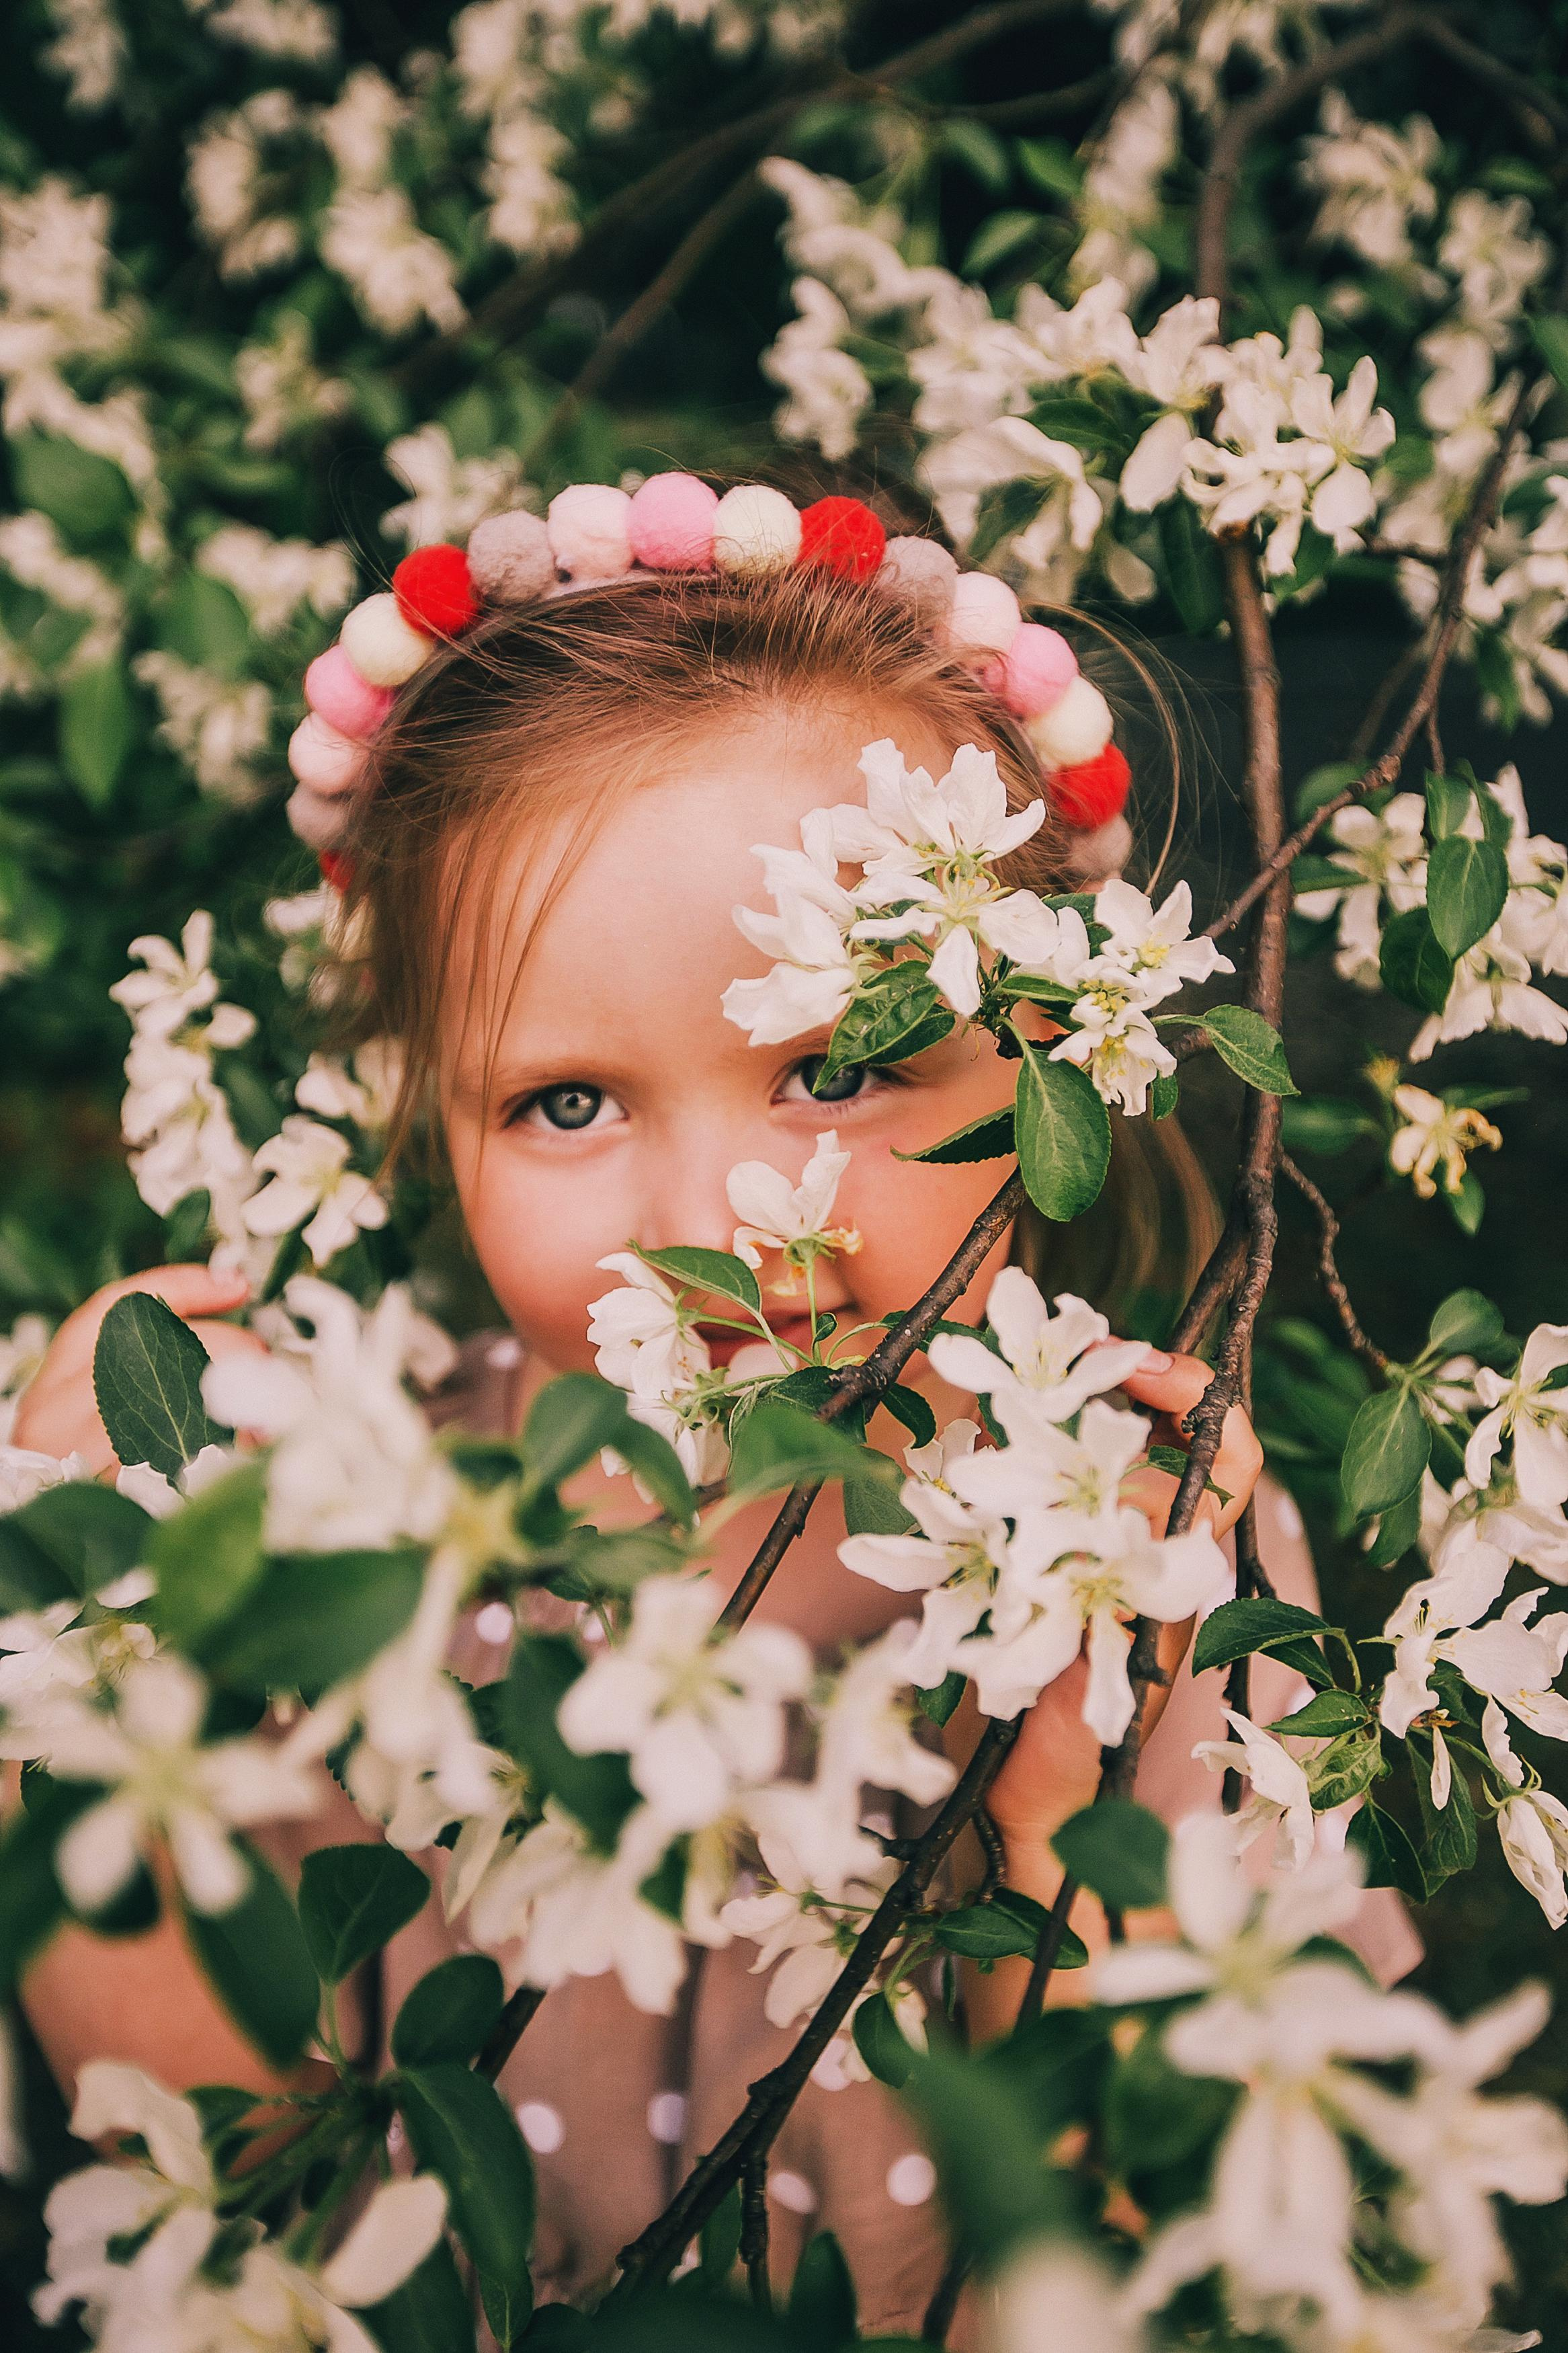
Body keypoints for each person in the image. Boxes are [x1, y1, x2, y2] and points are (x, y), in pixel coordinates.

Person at [11, 479, 1417, 2334]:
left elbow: (1141, 2250)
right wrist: (63, 1675)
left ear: (1058, 1051)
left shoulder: (1147, 1539)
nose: (717, 1225)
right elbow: (237, 2177)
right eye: (567, 1103)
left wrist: (1067, 1798)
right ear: (430, 1115)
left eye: (836, 1068)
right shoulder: (347, 1531)